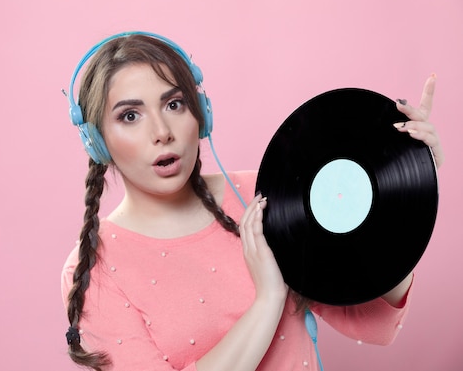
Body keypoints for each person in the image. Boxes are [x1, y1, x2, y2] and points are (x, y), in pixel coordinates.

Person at [60, 32, 444, 371]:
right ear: (97, 141)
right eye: (130, 115)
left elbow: (375, 324)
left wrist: (409, 196)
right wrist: (269, 300)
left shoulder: (260, 195)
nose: (161, 132)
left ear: (201, 113)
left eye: (174, 104)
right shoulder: (94, 267)